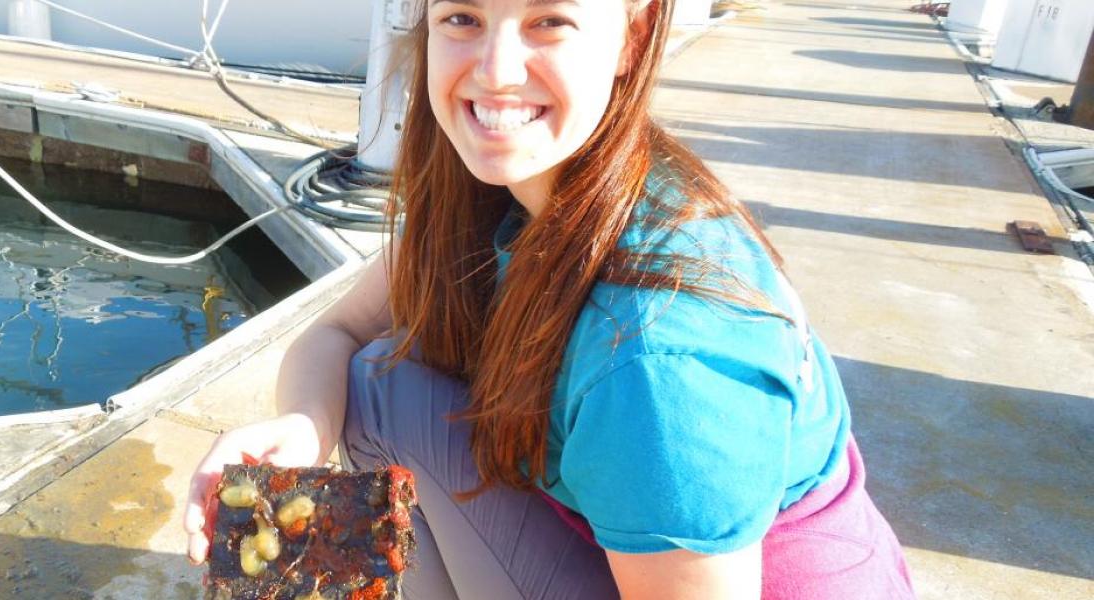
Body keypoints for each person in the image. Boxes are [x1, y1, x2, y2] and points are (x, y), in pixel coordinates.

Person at [185, 0, 915, 597]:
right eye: (463, 18)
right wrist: (303, 428)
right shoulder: (500, 186)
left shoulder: (659, 353)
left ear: (632, 34)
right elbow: (341, 329)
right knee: (380, 380)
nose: (496, 73)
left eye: (549, 20)